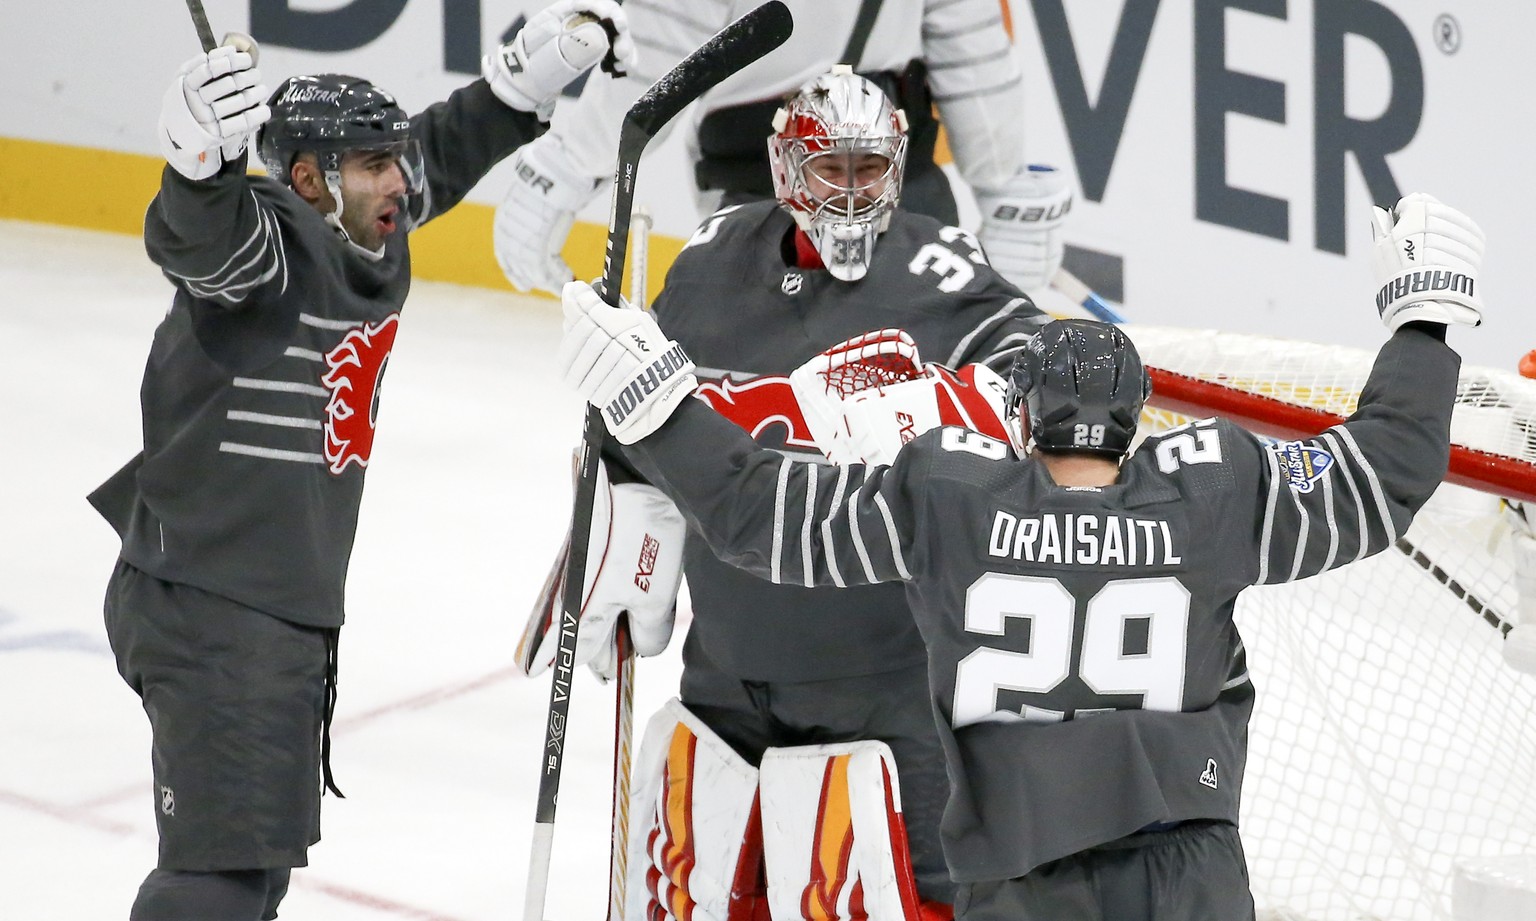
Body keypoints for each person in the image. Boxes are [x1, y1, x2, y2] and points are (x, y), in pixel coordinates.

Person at [551, 190, 1484, 921]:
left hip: (1022, 884)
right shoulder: (1212, 490)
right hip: (1189, 874)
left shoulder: (953, 499)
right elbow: (1381, 474)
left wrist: (656, 408)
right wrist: (1425, 323)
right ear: (1140, 414)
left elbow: (764, 514)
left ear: (1023, 411)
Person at [86, 4, 635, 918]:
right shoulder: (268, 244)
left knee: (253, 871)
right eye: (375, 164)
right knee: (218, 875)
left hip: (269, 600)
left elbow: (441, 155)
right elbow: (201, 245)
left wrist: (519, 88)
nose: (399, 179)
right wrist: (198, 166)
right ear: (305, 179)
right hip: (214, 601)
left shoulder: (362, 224)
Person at [520, 69, 1049, 918]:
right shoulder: (706, 266)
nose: (846, 192)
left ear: (898, 164)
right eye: (825, 167)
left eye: (866, 168)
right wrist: (616, 526)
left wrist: (919, 403)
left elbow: (1036, 374)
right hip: (727, 675)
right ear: (782, 167)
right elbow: (640, 415)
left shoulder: (939, 270)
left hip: (887, 689)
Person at [493, 0, 1073, 297]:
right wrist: (568, 167)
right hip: (775, 192)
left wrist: (1005, 183)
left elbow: (962, 30)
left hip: (887, 182)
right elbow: (661, 46)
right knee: (766, 407)